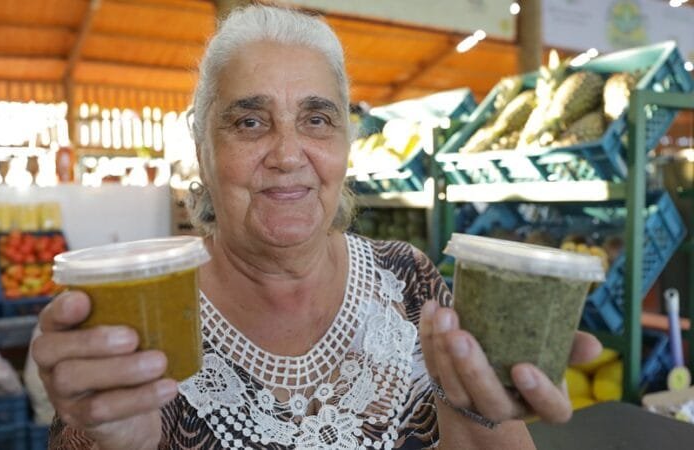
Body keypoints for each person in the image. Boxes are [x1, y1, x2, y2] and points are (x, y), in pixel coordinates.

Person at [32, 5, 602, 449]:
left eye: (317, 119)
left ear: (345, 145)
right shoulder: (140, 307)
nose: (287, 154)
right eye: (250, 121)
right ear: (203, 150)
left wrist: (474, 405)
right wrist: (123, 443)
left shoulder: (407, 279)